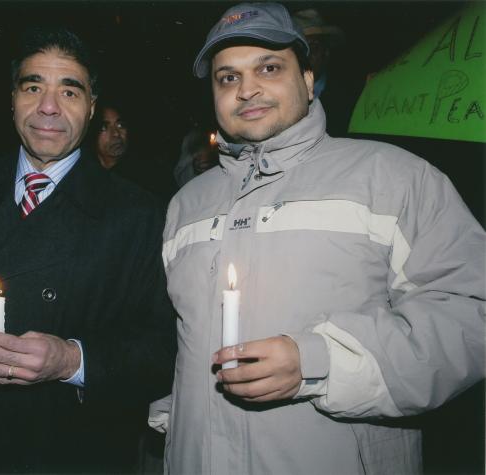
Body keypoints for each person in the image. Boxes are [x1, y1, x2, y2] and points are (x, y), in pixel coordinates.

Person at [153, 3, 485, 474]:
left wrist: (319, 361)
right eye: (227, 78)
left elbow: (472, 311)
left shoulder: (393, 178)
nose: (247, 89)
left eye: (269, 68)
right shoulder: (186, 205)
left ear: (308, 79)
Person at [0, 26, 176, 473]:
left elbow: (164, 349)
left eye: (69, 91)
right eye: (33, 87)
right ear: (12, 100)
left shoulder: (140, 215)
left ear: (90, 108)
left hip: (76, 449)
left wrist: (72, 360)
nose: (48, 107)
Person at [291, 7, 361, 136]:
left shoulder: (351, 95)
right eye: (298, 49)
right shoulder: (277, 93)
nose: (305, 56)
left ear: (326, 52)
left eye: (313, 47)